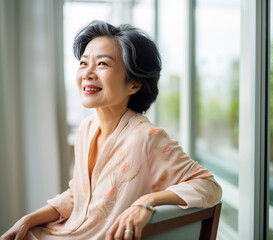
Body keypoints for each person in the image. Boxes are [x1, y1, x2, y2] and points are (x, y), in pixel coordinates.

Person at [1, 20, 222, 240]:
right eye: (83, 63)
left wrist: (146, 203)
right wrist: (28, 219)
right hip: (67, 232)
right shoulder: (86, 129)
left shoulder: (146, 138)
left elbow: (209, 186)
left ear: (133, 85)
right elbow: (79, 197)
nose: (87, 73)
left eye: (103, 64)